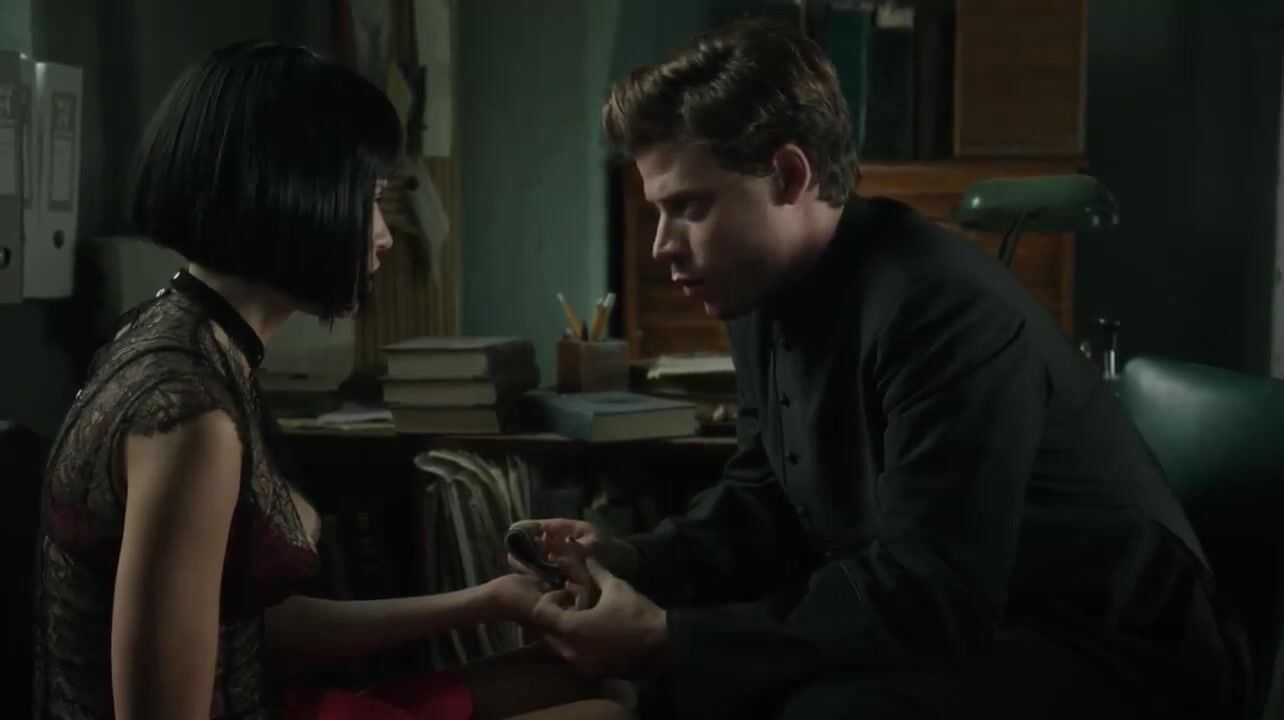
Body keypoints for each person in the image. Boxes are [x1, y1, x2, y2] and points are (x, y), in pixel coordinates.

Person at [512, 18, 1250, 720]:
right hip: (977, 617)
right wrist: (630, 558)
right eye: (657, 211)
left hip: (1116, 646)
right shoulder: (755, 290)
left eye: (690, 207)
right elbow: (764, 501)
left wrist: (672, 638)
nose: (660, 247)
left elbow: (935, 587)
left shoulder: (940, 306)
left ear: (789, 175)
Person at [31, 40, 627, 720]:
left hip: (270, 696)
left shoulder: (193, 339)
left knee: (590, 675)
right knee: (604, 714)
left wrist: (488, 600)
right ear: (296, 198)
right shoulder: (188, 414)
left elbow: (252, 632)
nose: (384, 235)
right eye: (370, 200)